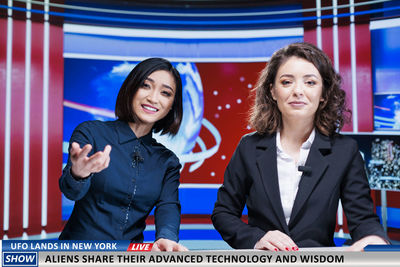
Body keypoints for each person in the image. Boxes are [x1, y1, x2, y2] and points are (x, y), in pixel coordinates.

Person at [211, 42, 389, 251]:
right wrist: (256, 238)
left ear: (323, 94)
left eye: (310, 82)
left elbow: (363, 218)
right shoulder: (249, 147)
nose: (298, 91)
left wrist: (373, 240)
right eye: (286, 82)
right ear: (273, 91)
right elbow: (223, 213)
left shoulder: (344, 151)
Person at [59, 58, 187, 251]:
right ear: (131, 88)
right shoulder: (91, 132)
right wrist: (78, 174)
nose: (153, 98)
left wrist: (166, 237)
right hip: (76, 255)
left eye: (165, 93)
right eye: (146, 86)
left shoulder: (167, 161)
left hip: (129, 257)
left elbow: (168, 206)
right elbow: (71, 191)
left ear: (171, 106)